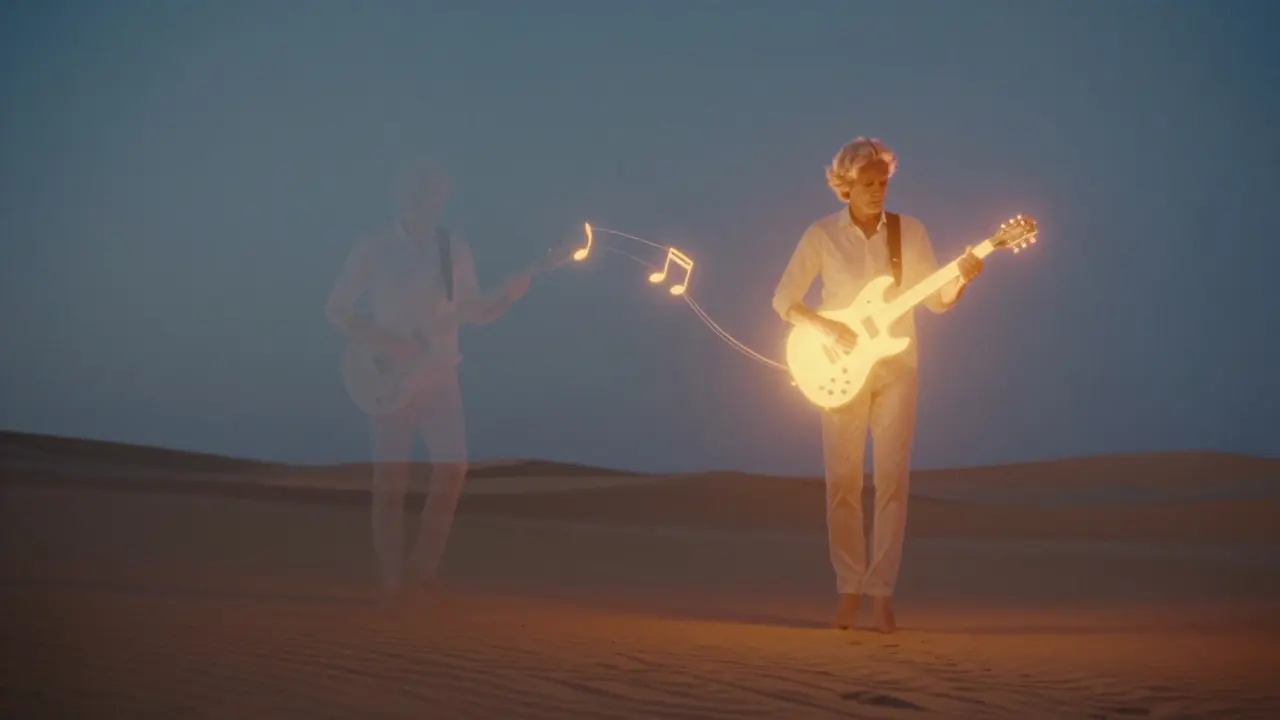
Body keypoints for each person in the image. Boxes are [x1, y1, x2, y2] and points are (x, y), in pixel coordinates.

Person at [771, 137, 983, 633]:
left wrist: (965, 277)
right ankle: (848, 588)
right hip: (839, 369)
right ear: (845, 186)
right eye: (867, 184)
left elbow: (935, 299)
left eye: (883, 183)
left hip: (897, 368)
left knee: (892, 482)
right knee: (843, 483)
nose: (877, 192)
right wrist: (828, 327)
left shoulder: (909, 234)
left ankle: (882, 591)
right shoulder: (822, 235)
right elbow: (784, 300)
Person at [325, 165, 532, 603]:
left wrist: (509, 295)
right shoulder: (374, 247)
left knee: (453, 468)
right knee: (390, 480)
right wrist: (386, 343)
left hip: (441, 374)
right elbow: (337, 309)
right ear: (403, 194)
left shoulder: (452, 248)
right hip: (387, 376)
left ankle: (423, 567)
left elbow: (472, 311)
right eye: (422, 192)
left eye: (438, 193)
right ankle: (390, 574)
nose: (430, 201)